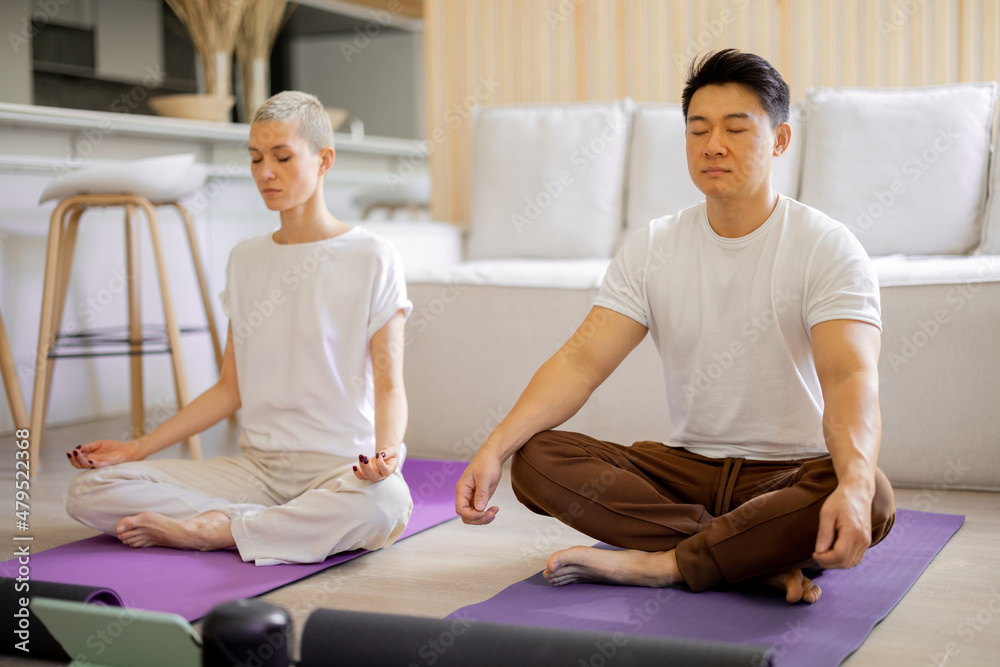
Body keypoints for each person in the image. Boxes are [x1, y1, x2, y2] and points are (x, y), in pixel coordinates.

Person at [455, 49, 895, 603]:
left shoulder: (828, 247)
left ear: (781, 140)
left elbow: (850, 378)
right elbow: (579, 363)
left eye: (736, 128)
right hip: (685, 475)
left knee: (870, 492)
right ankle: (743, 558)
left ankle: (664, 563)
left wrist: (851, 483)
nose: (713, 144)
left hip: (788, 478)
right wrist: (493, 449)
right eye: (698, 129)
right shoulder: (654, 246)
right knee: (538, 459)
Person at [64, 91, 414, 566]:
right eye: (255, 158)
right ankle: (264, 523)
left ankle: (219, 530)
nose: (264, 173)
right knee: (90, 490)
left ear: (324, 159)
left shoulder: (373, 256)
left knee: (387, 504)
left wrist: (387, 454)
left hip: (338, 467)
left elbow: (390, 382)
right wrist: (136, 448)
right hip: (257, 470)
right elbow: (230, 389)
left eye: (282, 157)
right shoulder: (245, 258)